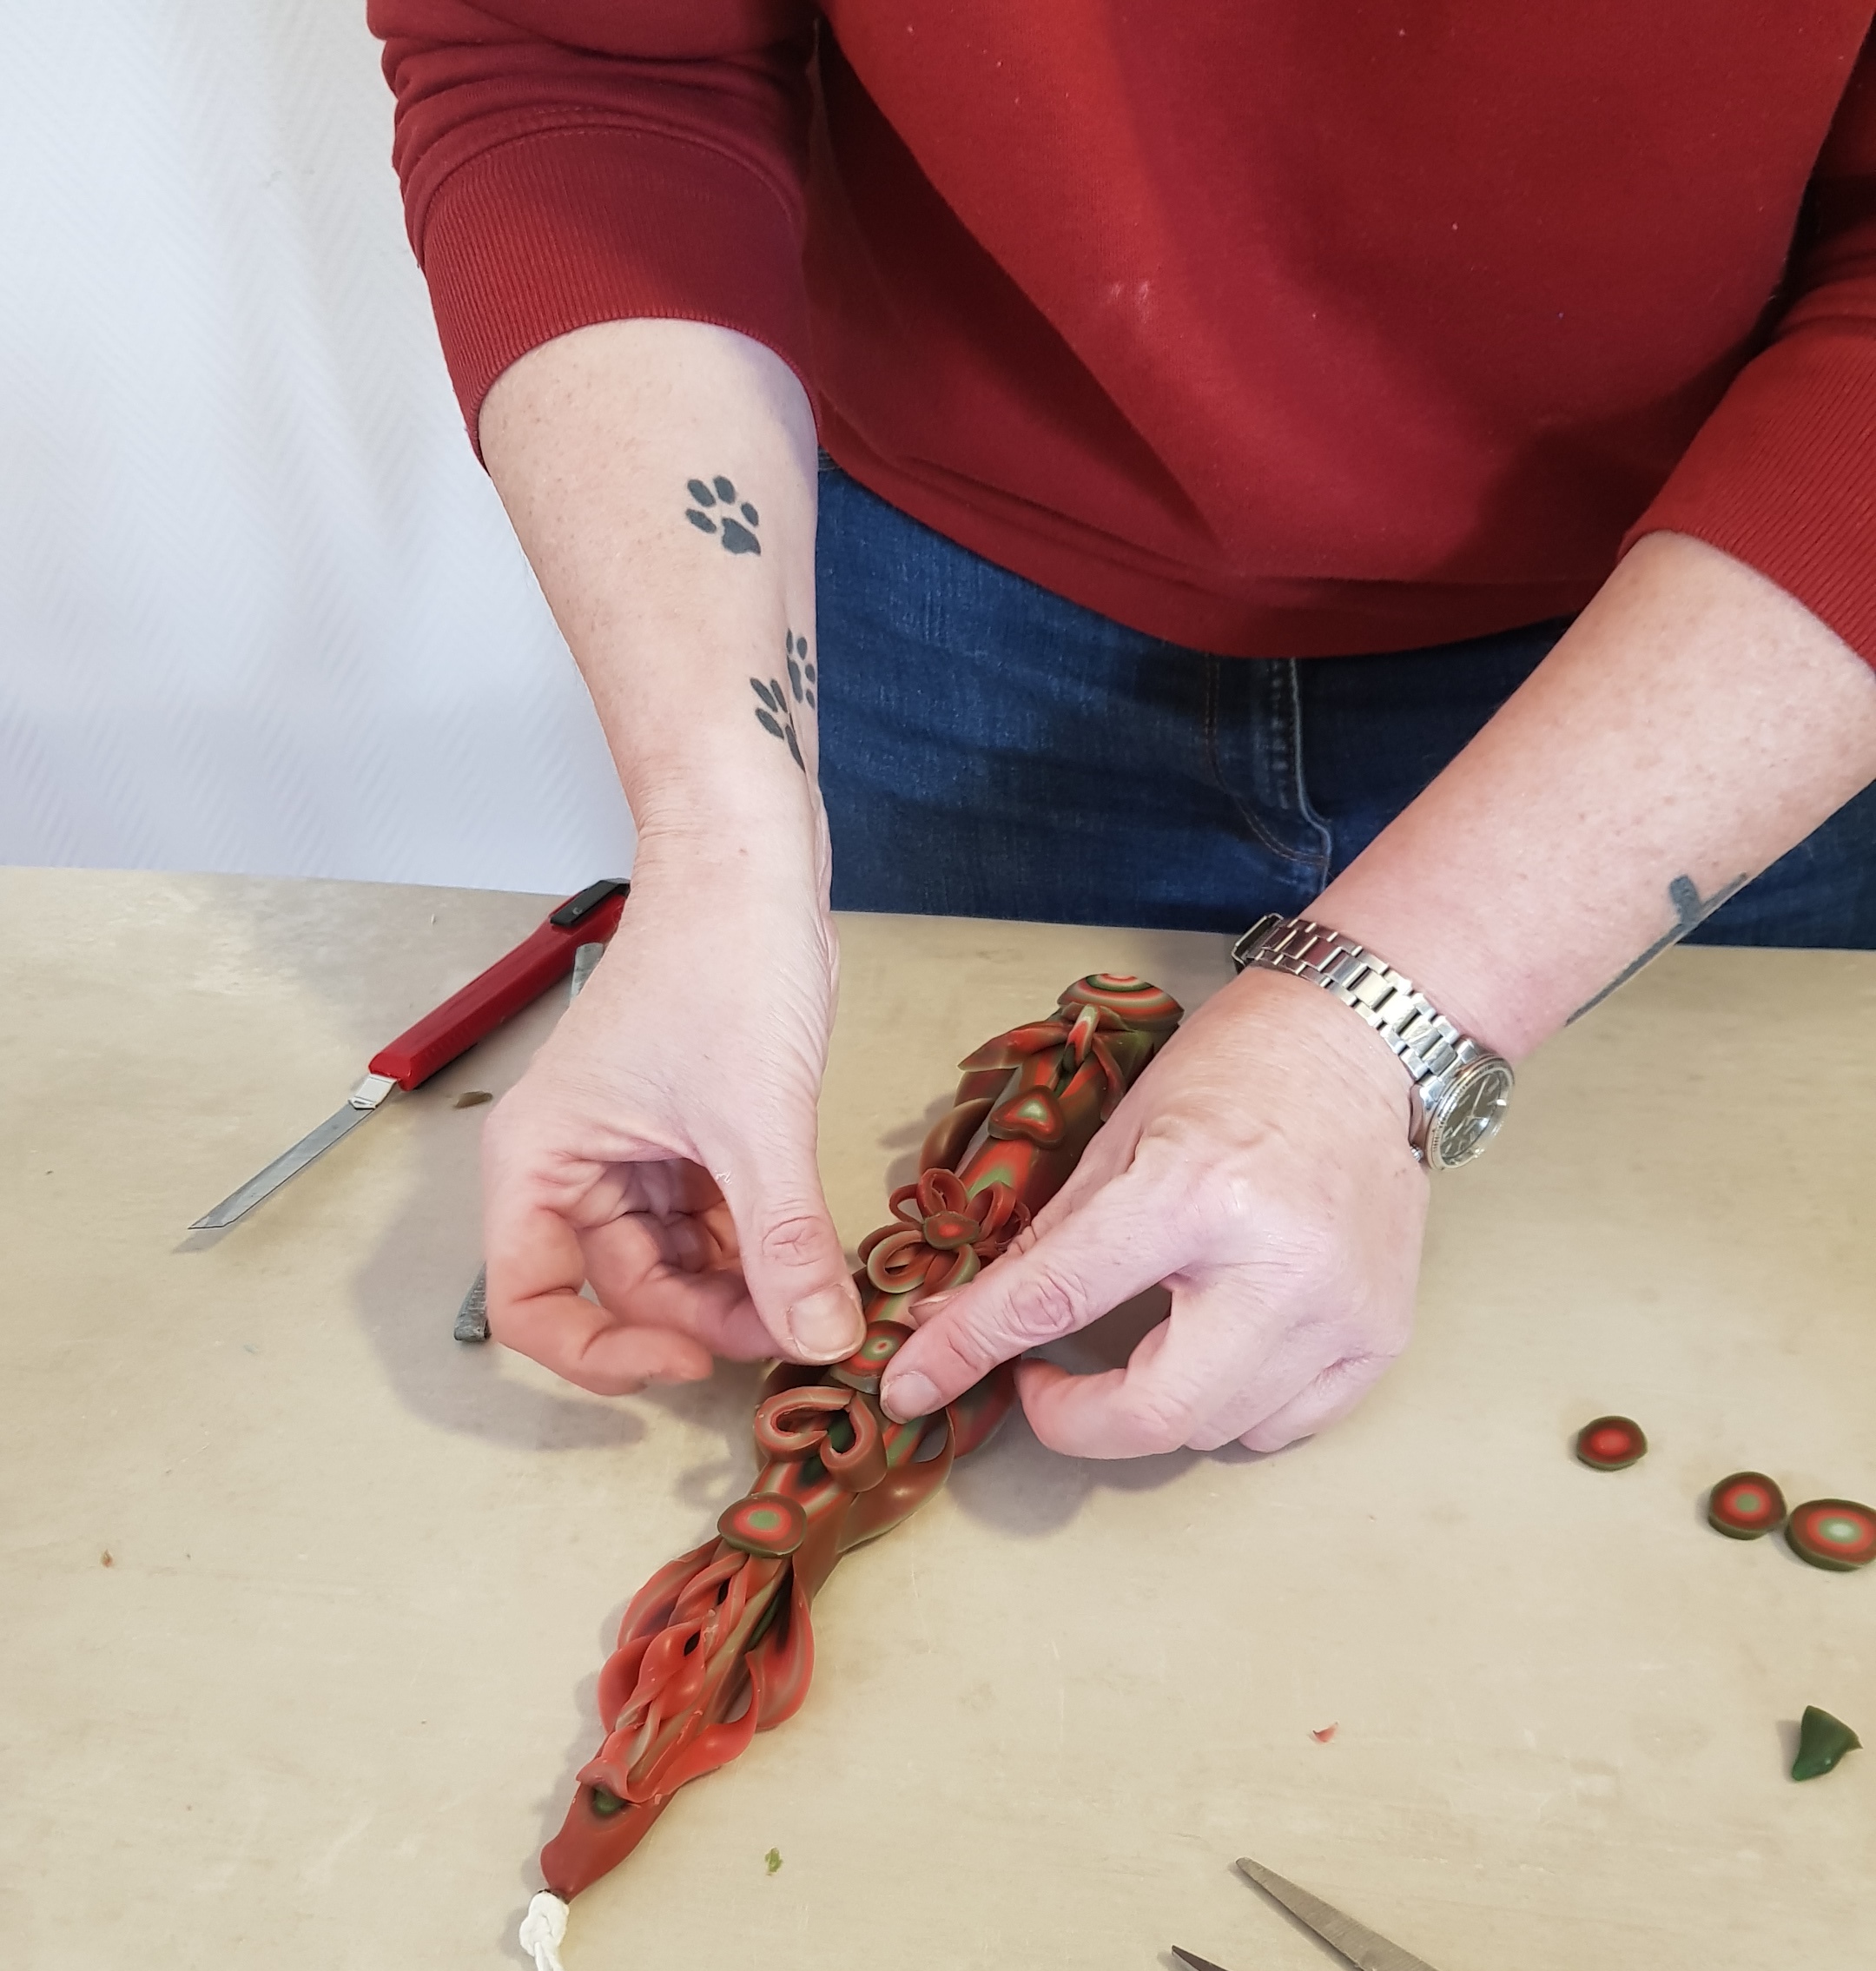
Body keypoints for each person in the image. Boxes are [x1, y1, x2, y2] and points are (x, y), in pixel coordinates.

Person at [371, 4, 1876, 1458]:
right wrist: (718, 845)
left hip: (1734, 658)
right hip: (948, 588)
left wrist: (1374, 1042)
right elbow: (585, 60)